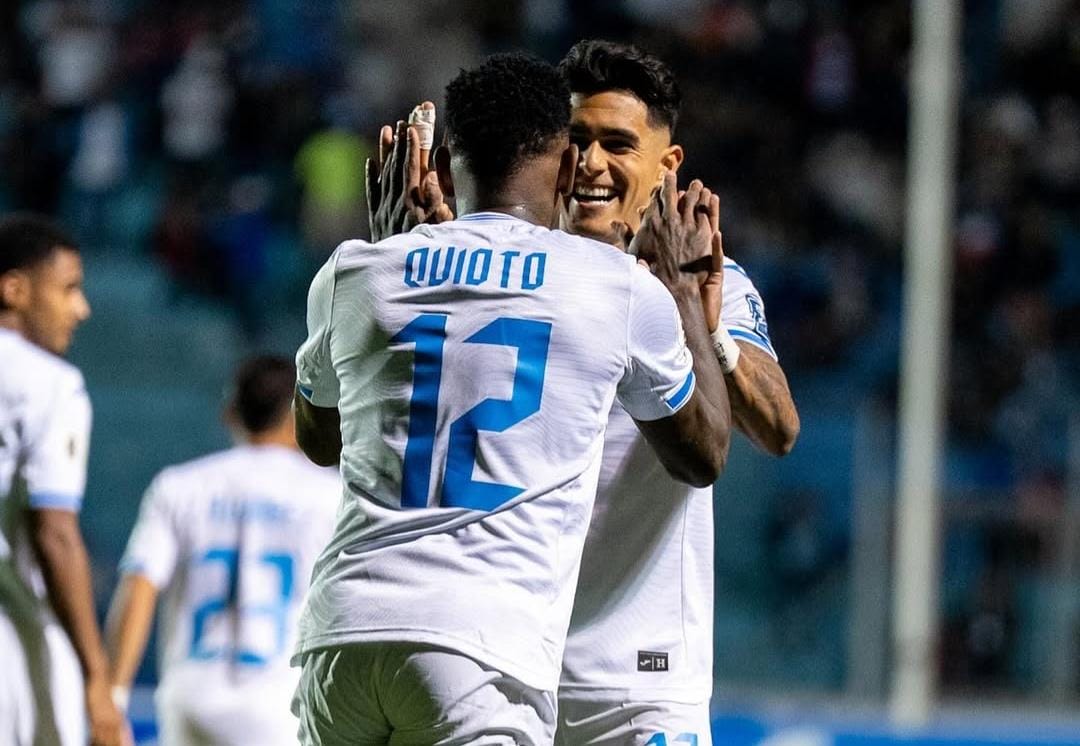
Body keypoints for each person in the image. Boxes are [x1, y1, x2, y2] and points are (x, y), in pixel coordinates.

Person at [292, 52, 732, 745]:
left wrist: (400, 276)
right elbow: (702, 455)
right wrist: (680, 290)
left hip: (341, 638)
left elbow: (320, 441)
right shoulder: (613, 285)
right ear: (566, 162)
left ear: (444, 164)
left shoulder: (358, 269)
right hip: (479, 645)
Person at [553, 41, 801, 745]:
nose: (590, 163)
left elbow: (778, 427)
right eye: (575, 140)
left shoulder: (713, 284)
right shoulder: (517, 276)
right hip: (512, 665)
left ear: (667, 166)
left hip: (642, 685)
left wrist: (705, 323)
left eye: (616, 144)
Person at [104, 355, 339, 746]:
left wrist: (113, 695)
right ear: (298, 415)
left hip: (191, 700)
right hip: (279, 706)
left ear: (230, 412)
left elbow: (140, 586)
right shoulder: (330, 495)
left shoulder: (178, 486)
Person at [0, 213, 126, 746]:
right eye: (69, 289)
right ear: (14, 289)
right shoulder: (48, 383)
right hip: (14, 642)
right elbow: (54, 533)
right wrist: (98, 677)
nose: (81, 308)